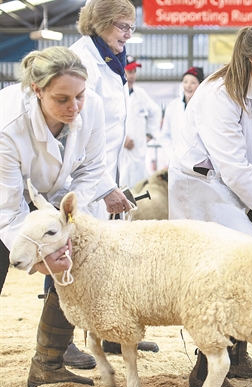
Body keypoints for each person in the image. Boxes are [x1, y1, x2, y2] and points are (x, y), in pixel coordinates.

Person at [168, 16, 252, 387]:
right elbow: (230, 163)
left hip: (228, 185)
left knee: (240, 265)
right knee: (227, 270)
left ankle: (237, 353)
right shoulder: (217, 94)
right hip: (201, 185)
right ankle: (205, 368)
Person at [0, 46, 106, 387]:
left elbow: (92, 170)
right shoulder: (7, 124)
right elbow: (8, 207)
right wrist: (39, 255)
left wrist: (66, 225)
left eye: (80, 96)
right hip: (6, 197)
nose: (73, 107)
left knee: (71, 261)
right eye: (61, 99)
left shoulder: (92, 110)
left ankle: (47, 365)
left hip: (51, 198)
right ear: (37, 90)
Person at [70, 0, 158, 354]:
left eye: (131, 27)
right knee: (75, 254)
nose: (128, 34)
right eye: (122, 26)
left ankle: (107, 332)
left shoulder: (110, 59)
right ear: (100, 23)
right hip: (81, 175)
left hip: (104, 171)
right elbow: (81, 133)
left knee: (102, 256)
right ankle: (59, 346)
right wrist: (103, 184)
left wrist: (109, 182)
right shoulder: (82, 62)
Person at [120, 56, 162, 189]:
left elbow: (155, 111)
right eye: (129, 71)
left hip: (137, 152)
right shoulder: (115, 93)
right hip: (120, 151)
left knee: (138, 189)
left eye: (134, 72)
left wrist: (149, 134)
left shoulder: (140, 94)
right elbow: (105, 121)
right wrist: (121, 138)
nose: (132, 76)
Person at [153, 66, 204, 173]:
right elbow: (164, 136)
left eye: (193, 82)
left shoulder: (205, 107)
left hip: (199, 162)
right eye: (185, 82)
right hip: (175, 162)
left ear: (200, 85)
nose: (188, 86)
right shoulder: (173, 106)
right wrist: (172, 155)